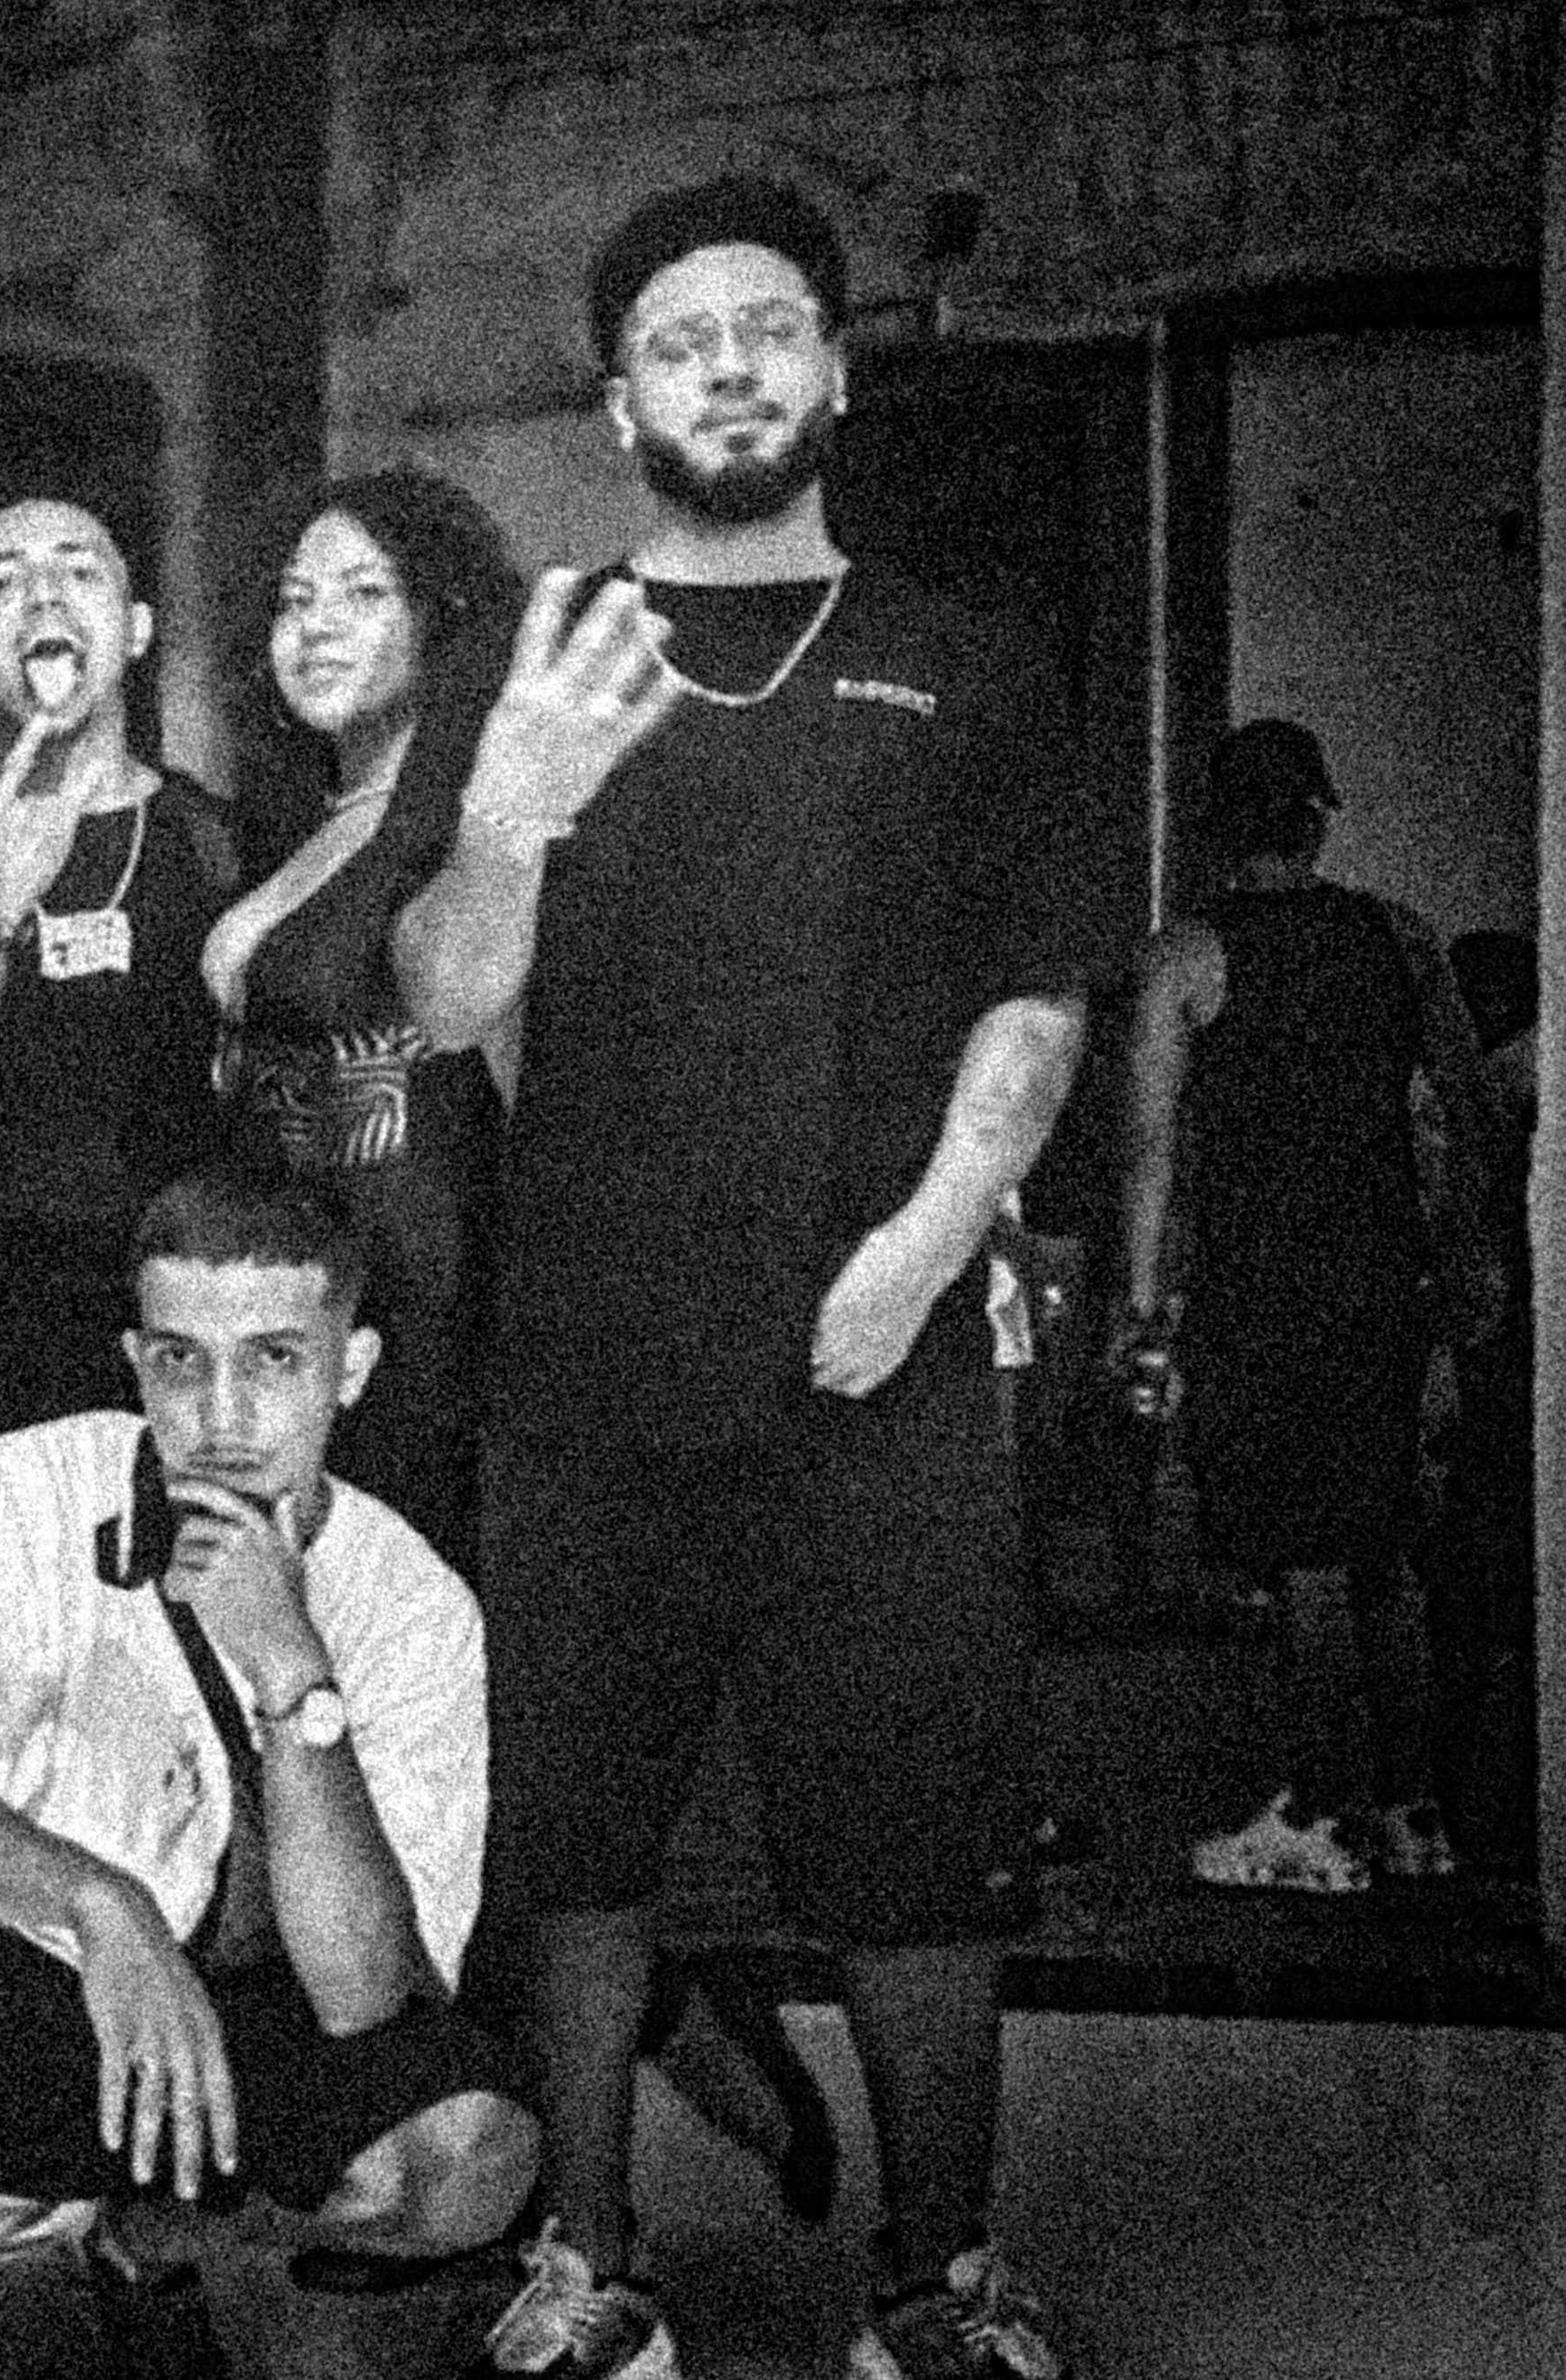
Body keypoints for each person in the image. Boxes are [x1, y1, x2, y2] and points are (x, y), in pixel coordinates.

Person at [396, 175, 1129, 2379]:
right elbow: (439, 1000)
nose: (723, 363)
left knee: (915, 1842)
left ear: (830, 372)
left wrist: (925, 1242)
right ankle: (583, 2260)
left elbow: (1035, 994)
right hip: (584, 1358)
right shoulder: (529, 657)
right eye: (675, 339)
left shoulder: (963, 659)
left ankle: (936, 2276)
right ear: (618, 404)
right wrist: (506, 813)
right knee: (576, 1840)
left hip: (877, 1353)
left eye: (766, 325)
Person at [0, 1163, 526, 2380]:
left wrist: (290, 1671)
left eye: (273, 1360)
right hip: (17, 1978)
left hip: (230, 2027)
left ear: (350, 1368)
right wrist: (102, 1906)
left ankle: (157, 2239)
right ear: (135, 1363)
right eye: (179, 1361)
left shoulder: (411, 1598)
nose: (221, 1413)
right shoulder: (33, 1481)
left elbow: (367, 1997)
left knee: (469, 2156)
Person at [1115, 719, 1493, 1892]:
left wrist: (1143, 1303)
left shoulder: (1188, 955)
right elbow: (1461, 1107)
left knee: (1296, 1550)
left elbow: (1150, 1144)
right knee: (1382, 1550)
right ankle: (1413, 1811)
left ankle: (1320, 1808)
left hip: (1259, 1279)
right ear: (1319, 816)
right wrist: (1470, 1255)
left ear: (1217, 825)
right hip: (1381, 1269)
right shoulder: (1400, 938)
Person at [0, 495, 233, 1565]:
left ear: (136, 628)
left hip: (165, 1323)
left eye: (79, 569)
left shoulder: (215, 843)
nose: (42, 595)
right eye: (2, 580)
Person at [203, 466, 522, 1567]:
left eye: (364, 593)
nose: (316, 625)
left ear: (443, 621)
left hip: (424, 1324)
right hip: (278, 1307)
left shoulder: (472, 831)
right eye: (294, 600)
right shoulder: (311, 822)